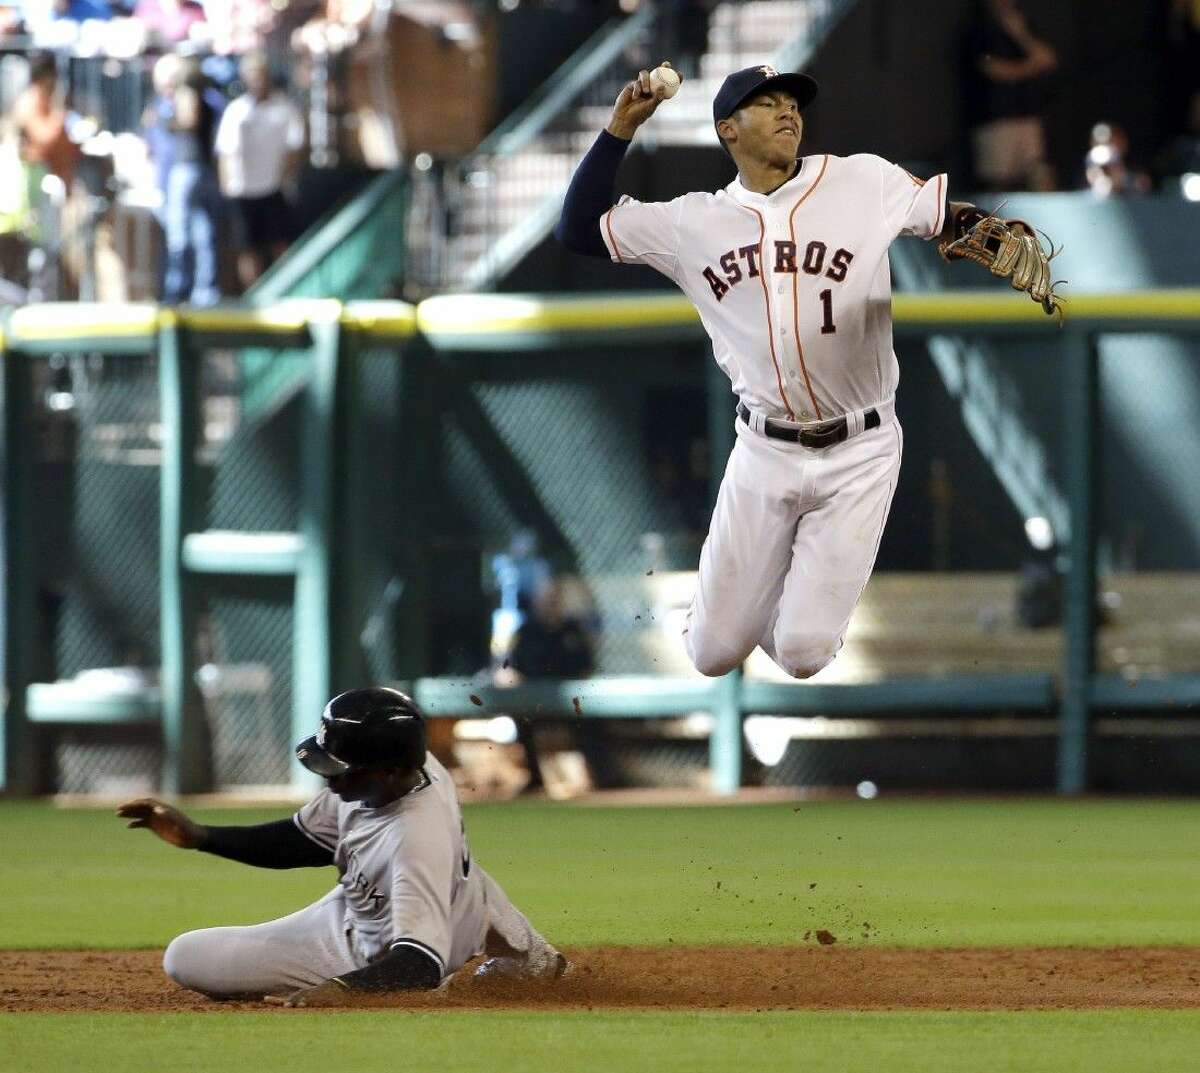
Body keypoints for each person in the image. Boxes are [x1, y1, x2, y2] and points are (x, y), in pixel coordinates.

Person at [555, 62, 1055, 682]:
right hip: (763, 450)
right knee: (710, 655)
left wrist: (978, 227)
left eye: (793, 101)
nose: (788, 110)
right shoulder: (692, 222)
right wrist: (618, 131)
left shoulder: (859, 181)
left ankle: (783, 609)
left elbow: (942, 216)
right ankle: (738, 605)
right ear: (727, 130)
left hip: (861, 448)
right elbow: (577, 229)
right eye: (766, 103)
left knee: (803, 655)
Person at [117, 687, 568, 1005]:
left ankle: (506, 948)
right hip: (354, 913)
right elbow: (302, 841)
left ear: (390, 771)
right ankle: (504, 930)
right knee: (185, 955)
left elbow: (417, 964)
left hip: (393, 944)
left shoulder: (415, 840)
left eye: (341, 770)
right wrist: (201, 837)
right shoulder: (392, 771)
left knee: (424, 960)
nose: (330, 779)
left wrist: (342, 989)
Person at [214, 51, 304, 290]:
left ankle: (286, 288)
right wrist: (227, 186)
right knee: (247, 246)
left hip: (273, 188)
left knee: (280, 243)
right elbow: (225, 151)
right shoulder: (236, 111)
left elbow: (294, 148)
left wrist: (285, 179)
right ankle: (254, 293)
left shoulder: (284, 108)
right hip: (242, 190)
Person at [966, 0, 1058, 191]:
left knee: (1038, 178)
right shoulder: (977, 29)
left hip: (1028, 115)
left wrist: (1020, 34)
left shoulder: (1024, 24)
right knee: (999, 186)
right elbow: (993, 70)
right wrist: (1032, 67)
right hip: (995, 120)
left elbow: (1048, 59)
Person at [161, 56, 221, 305]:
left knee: (179, 232)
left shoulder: (190, 97)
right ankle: (206, 290)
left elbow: (189, 120)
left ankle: (177, 288)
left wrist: (167, 122)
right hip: (205, 169)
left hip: (187, 169)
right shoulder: (211, 102)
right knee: (203, 231)